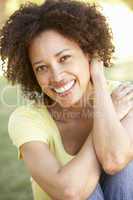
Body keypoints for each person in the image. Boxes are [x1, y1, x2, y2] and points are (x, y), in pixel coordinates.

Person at [1, 0, 133, 199]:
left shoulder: (123, 97)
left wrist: (98, 77)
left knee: (122, 158)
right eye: (41, 68)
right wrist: (110, 114)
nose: (56, 76)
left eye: (64, 58)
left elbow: (114, 160)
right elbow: (69, 191)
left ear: (89, 53)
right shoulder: (27, 119)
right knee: (79, 183)